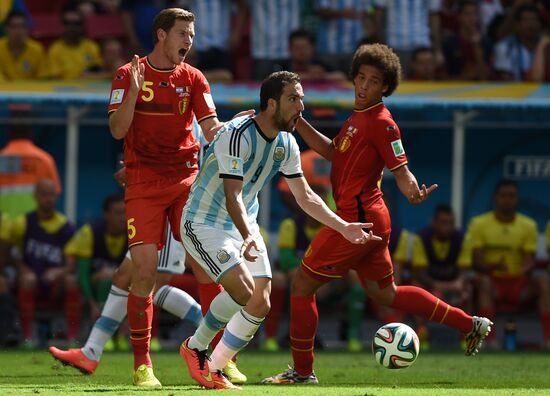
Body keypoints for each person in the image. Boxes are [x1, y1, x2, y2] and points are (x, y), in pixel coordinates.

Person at [262, 44, 492, 385]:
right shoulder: (358, 117)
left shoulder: (383, 122)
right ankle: (469, 324)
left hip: (355, 221)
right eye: (361, 78)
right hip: (371, 220)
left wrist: (412, 190)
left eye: (373, 81)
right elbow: (332, 152)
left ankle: (302, 372)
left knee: (301, 285)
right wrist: (299, 123)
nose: (364, 86)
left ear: (385, 87)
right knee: (388, 294)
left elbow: (401, 169)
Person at [179, 71, 378, 390]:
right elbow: (232, 195)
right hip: (204, 221)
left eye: (302, 98)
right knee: (244, 291)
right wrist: (247, 234)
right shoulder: (236, 133)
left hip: (243, 224)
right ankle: (196, 347)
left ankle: (213, 366)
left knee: (261, 302)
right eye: (293, 99)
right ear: (271, 104)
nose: (302, 105)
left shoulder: (287, 142)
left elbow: (306, 196)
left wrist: (343, 227)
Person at [107, 7, 246, 387]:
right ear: (161, 35)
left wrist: (237, 130)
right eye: (183, 33)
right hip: (143, 184)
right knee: (146, 272)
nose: (189, 40)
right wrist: (133, 94)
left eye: (192, 34)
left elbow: (212, 128)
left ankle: (217, 358)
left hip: (187, 182)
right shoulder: (127, 74)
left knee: (207, 267)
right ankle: (143, 366)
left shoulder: (195, 78)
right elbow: (118, 130)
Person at [49, 223, 203, 375]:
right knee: (122, 278)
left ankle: (214, 331)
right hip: (148, 219)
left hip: (164, 218)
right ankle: (90, 352)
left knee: (153, 287)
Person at [466, 179, 550, 350]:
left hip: (518, 284)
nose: (507, 200)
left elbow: (529, 260)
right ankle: (490, 340)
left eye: (511, 196)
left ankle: (548, 339)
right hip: (492, 282)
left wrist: (524, 269)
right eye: (503, 196)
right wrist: (493, 267)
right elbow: (476, 262)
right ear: (496, 198)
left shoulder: (528, 225)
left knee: (543, 282)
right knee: (483, 282)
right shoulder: (479, 223)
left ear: (516, 198)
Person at [7, 179, 78, 348]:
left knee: (71, 280)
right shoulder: (22, 222)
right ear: (35, 196)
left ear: (56, 196)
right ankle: (27, 338)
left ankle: (72, 338)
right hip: (29, 280)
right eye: (44, 194)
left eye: (51, 195)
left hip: (55, 284)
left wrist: (59, 272)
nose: (48, 199)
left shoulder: (66, 226)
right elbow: (9, 254)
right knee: (27, 279)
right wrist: (22, 269)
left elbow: (71, 264)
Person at [63, 194, 128, 348]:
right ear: (106, 214)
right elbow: (83, 275)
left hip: (124, 284)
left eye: (125, 212)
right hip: (94, 284)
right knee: (104, 276)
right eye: (118, 213)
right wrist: (92, 304)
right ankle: (79, 335)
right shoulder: (90, 232)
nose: (122, 217)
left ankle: (123, 334)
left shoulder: (134, 234)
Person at [411, 204, 473, 349]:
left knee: (468, 289)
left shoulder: (463, 238)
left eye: (451, 223)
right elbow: (419, 272)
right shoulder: (422, 237)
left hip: (454, 285)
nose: (448, 227)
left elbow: (464, 271)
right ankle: (421, 332)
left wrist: (458, 283)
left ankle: (466, 334)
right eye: (443, 223)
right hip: (430, 285)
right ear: (434, 223)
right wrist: (439, 286)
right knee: (416, 288)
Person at [0, 104, 62, 219]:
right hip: (33, 227)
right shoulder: (44, 160)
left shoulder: (2, 158)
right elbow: (54, 194)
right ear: (30, 131)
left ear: (8, 131)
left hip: (4, 227)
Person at [47, 7, 103, 79]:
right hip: (63, 88)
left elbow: (99, 70)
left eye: (77, 23)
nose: (72, 27)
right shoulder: (55, 49)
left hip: (88, 88)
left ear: (82, 26)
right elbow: (54, 78)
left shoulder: (92, 46)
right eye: (68, 23)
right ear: (62, 26)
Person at [0, 10, 48, 80]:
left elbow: (43, 79)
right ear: (6, 29)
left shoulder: (37, 50)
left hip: (30, 90)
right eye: (14, 27)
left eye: (22, 26)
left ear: (27, 29)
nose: (18, 31)